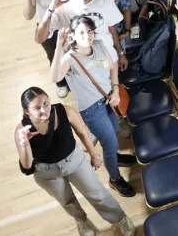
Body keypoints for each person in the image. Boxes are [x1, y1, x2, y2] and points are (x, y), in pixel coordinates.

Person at [14, 87, 135, 236]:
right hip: (47, 172)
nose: (44, 110)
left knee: (97, 192)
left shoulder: (65, 111)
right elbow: (26, 166)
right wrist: (24, 142)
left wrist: (94, 155)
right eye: (36, 108)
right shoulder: (21, 131)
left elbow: (82, 133)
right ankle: (82, 221)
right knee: (66, 200)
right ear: (27, 111)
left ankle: (120, 218)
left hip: (74, 160)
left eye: (46, 103)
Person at [49, 17, 136, 197]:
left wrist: (115, 91)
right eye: (81, 32)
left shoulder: (98, 44)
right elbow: (56, 77)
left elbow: (112, 68)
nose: (87, 36)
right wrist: (58, 47)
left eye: (89, 31)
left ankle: (113, 157)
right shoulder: (70, 58)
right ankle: (114, 178)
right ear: (72, 36)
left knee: (112, 135)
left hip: (109, 100)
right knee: (110, 142)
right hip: (92, 109)